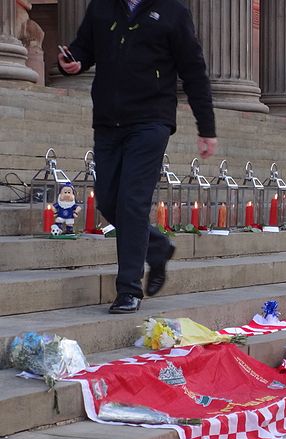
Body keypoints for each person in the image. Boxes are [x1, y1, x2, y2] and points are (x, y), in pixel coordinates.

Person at [58, 0, 216, 314]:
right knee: (107, 200)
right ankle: (157, 247)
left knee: (132, 200)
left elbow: (194, 71)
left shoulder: (173, 12)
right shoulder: (102, 7)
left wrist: (206, 127)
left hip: (151, 119)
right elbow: (84, 47)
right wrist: (74, 60)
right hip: (108, 120)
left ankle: (128, 289)